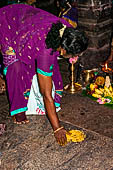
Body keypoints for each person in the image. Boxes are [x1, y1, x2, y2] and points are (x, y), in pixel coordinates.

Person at [0, 4, 88, 145]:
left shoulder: (67, 32)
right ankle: (18, 111)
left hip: (29, 22)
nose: (76, 57)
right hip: (8, 21)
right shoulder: (46, 50)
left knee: (44, 66)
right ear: (63, 51)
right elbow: (46, 94)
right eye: (75, 55)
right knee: (16, 67)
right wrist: (57, 127)